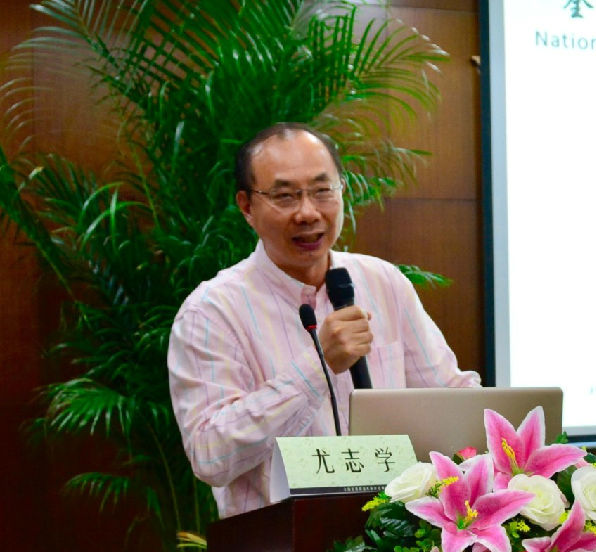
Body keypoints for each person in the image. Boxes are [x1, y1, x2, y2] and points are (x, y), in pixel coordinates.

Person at [168, 122, 479, 519]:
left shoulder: (383, 282)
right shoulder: (211, 312)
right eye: (285, 196)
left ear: (342, 190)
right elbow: (211, 455)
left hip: (395, 541)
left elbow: (448, 396)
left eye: (322, 191)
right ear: (246, 206)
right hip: (277, 547)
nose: (308, 212)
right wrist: (318, 366)